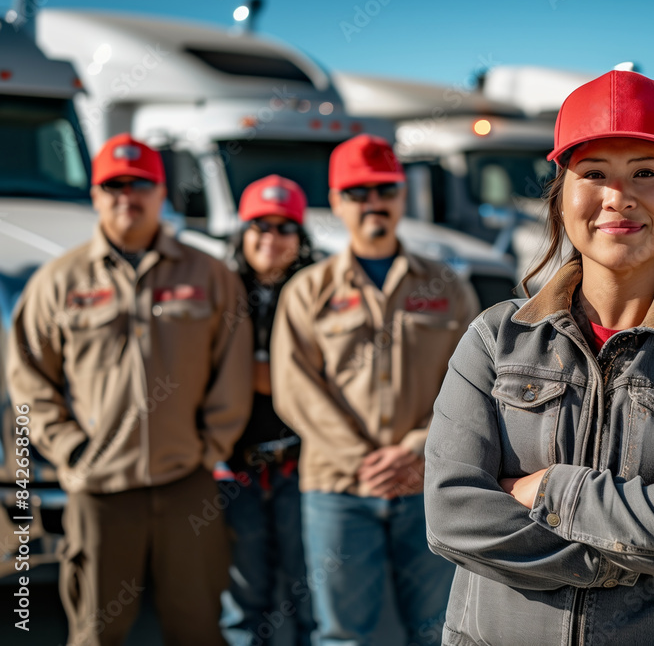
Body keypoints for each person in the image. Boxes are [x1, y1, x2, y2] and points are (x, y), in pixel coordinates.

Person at [423, 70, 654, 646]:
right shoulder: (496, 339)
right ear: (561, 200)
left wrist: (557, 492)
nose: (617, 196)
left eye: (646, 173)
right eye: (594, 173)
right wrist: (620, 562)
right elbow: (452, 513)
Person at [7, 133, 253, 646]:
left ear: (161, 193)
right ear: (95, 195)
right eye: (113, 186)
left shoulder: (208, 275)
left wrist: (210, 446)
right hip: (99, 489)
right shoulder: (59, 280)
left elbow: (232, 367)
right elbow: (28, 376)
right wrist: (69, 448)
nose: (127, 197)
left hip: (186, 483)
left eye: (140, 184)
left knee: (197, 629)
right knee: (97, 632)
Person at [270, 134, 480, 646]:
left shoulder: (447, 287)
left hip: (426, 482)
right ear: (336, 201)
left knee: (438, 631)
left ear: (402, 196)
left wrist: (416, 447)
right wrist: (363, 459)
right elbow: (295, 388)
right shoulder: (308, 291)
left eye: (385, 190)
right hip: (339, 488)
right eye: (358, 192)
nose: (373, 203)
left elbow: (474, 383)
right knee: (344, 636)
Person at [218, 175, 317, 646]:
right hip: (235, 465)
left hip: (303, 461)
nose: (271, 238)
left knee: (308, 594)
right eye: (260, 226)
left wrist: (260, 373)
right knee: (244, 596)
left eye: (285, 227)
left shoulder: (319, 290)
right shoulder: (221, 289)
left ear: (301, 237)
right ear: (242, 232)